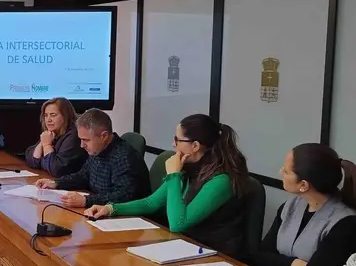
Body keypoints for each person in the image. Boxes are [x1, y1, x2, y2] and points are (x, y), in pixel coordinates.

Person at [85, 114, 249, 257]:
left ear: (195, 146)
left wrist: (173, 176)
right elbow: (151, 202)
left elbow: (178, 224)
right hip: (186, 245)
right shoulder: (188, 167)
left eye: (177, 140)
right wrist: (111, 208)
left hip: (216, 256)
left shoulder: (221, 179)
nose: (173, 144)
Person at [248, 144, 356, 266]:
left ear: (304, 185)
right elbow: (261, 255)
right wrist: (293, 264)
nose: (280, 172)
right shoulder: (290, 206)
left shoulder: (348, 225)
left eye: (286, 171)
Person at [35, 109, 149, 208]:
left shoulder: (125, 157)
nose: (82, 145)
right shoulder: (97, 150)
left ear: (104, 136)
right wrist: (56, 183)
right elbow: (84, 175)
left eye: (86, 140)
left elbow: (123, 196)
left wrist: (86, 201)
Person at [25, 97, 86, 177]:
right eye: (46, 115)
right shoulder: (52, 133)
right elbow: (31, 159)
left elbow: (56, 169)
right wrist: (42, 144)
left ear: (65, 116)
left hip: (75, 187)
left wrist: (47, 145)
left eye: (53, 115)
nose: (48, 120)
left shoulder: (74, 134)